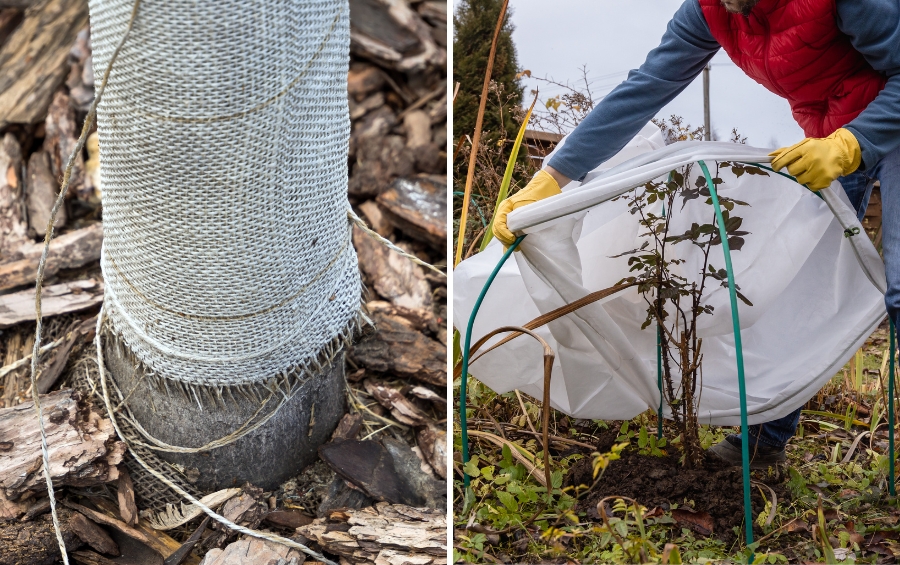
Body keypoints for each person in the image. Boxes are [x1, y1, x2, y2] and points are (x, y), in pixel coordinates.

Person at [492, 0, 900, 469]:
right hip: (830, 128)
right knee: (795, 280)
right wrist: (553, 178)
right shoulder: (709, 9)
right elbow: (647, 85)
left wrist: (855, 142)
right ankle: (764, 441)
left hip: (887, 114)